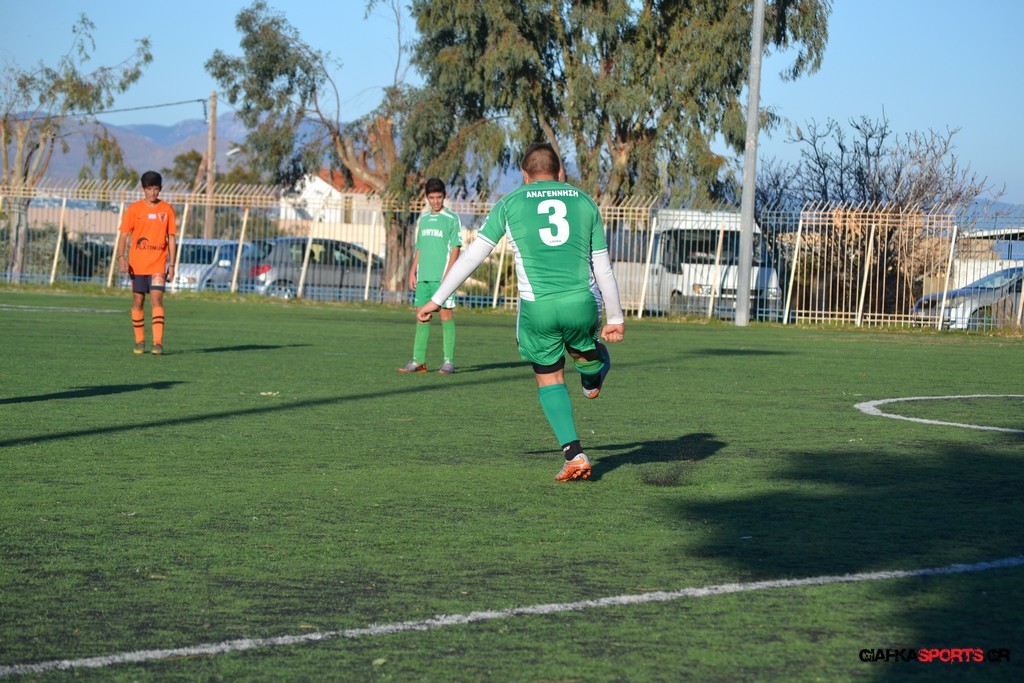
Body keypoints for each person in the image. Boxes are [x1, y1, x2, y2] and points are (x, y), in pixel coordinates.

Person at [417, 143, 625, 482]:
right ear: (560, 172)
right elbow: (602, 266)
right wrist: (615, 318)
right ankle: (592, 371)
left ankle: (574, 455)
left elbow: (473, 256)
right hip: (582, 303)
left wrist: (437, 298)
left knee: (549, 376)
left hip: (537, 309)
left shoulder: (509, 203)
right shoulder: (584, 202)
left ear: (525, 176)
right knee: (583, 351)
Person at [398, 178, 463, 374]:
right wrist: (412, 271)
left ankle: (449, 361)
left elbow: (456, 248)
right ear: (426, 197)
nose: (435, 201)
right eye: (432, 198)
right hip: (424, 277)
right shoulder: (424, 219)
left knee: (446, 316)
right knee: (421, 316)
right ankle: (418, 361)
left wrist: (449, 276)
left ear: (445, 196)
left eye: (439, 197)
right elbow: (419, 248)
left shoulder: (451, 218)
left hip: (442, 278)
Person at [114, 171, 177, 355]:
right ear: (143, 189)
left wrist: (172, 265)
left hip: (158, 264)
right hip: (138, 265)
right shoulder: (134, 209)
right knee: (138, 300)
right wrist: (121, 257)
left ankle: (157, 343)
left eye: (156, 189)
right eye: (149, 189)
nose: (152, 193)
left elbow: (171, 238)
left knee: (156, 299)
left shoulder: (167, 209)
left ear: (160, 189)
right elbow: (123, 236)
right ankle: (139, 341)